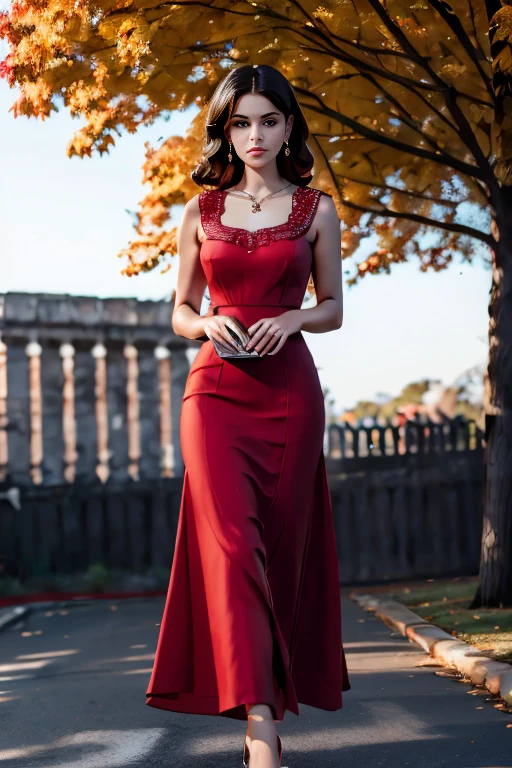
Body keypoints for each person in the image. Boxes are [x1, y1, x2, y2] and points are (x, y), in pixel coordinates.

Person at [145, 63, 351, 768]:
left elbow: (334, 310)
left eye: (268, 120)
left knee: (280, 552)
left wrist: (292, 319)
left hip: (291, 396)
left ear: (289, 125)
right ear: (225, 131)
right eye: (240, 122)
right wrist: (204, 328)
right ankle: (260, 726)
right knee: (233, 553)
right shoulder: (199, 212)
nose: (255, 135)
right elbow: (177, 311)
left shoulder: (317, 210)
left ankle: (266, 700)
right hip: (214, 397)